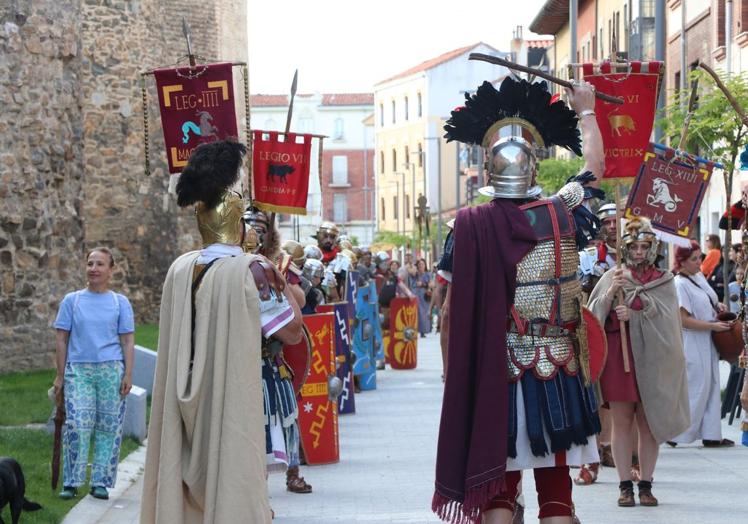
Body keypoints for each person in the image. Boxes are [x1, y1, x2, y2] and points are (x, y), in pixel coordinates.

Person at [433, 76, 604, 524]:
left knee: (497, 491)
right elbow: (596, 169)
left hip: (498, 373)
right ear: (533, 172)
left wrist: (456, 380)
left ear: (489, 174)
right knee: (557, 494)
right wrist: (585, 109)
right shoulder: (563, 212)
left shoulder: (465, 228)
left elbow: (451, 313)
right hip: (560, 369)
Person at [140, 140, 302, 523]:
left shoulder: (180, 268)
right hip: (229, 392)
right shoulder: (251, 273)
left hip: (183, 393)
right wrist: (274, 270)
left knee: (183, 486)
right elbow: (294, 332)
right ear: (237, 221)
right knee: (231, 482)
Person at [587, 217, 690, 508]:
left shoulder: (665, 281)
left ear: (653, 247)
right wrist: (610, 295)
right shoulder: (614, 276)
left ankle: (645, 483)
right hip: (621, 359)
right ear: (626, 248)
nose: (641, 252)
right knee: (621, 423)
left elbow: (669, 320)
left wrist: (639, 312)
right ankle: (623, 486)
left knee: (648, 424)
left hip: (653, 360)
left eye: (646, 246)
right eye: (635, 246)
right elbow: (592, 315)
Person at [53, 247, 135, 501]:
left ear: (111, 270)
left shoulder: (119, 302)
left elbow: (128, 341)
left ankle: (100, 481)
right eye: (90, 263)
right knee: (78, 425)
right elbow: (61, 339)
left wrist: (128, 375)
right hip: (79, 371)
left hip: (111, 370)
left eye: (100, 264)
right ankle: (71, 481)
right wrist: (59, 375)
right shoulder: (72, 301)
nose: (94, 268)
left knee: (108, 427)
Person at [243, 205, 314, 493]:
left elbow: (299, 306)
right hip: (237, 356)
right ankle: (252, 489)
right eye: (248, 229)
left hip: (270, 355)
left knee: (286, 414)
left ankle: (292, 471)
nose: (252, 235)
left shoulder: (274, 267)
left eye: (259, 230)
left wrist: (279, 281)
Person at [670, 240, 734, 448]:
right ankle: (676, 434)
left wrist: (717, 307)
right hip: (692, 340)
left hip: (707, 338)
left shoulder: (697, 276)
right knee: (696, 387)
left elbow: (708, 300)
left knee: (711, 385)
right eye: (694, 259)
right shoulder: (679, 284)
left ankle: (711, 434)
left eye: (700, 257)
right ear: (682, 262)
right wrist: (712, 326)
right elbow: (683, 319)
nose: (699, 262)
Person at [411, 258, 432, 337]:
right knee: (415, 312)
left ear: (425, 265)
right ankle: (414, 331)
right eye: (419, 264)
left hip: (424, 295)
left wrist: (423, 284)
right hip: (415, 294)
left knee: (423, 313)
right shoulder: (415, 274)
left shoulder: (428, 274)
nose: (421, 266)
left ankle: (423, 331)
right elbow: (411, 270)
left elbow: (431, 285)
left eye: (422, 264)